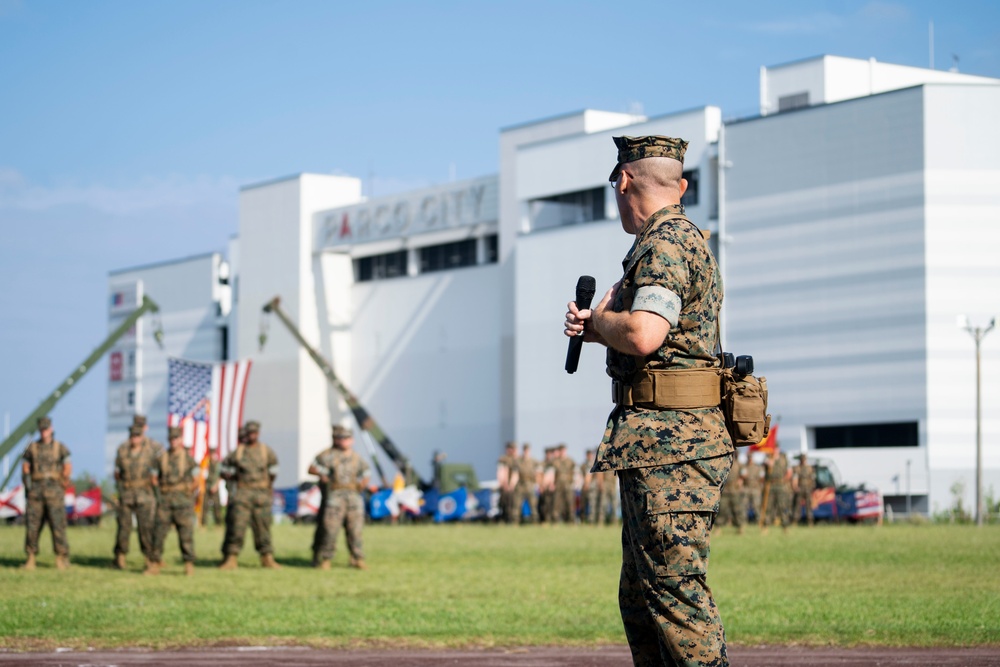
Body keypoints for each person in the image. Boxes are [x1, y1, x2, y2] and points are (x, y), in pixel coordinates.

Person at [564, 135, 734, 666]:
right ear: (679, 186)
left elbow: (642, 334)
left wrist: (597, 322)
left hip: (672, 448)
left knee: (675, 598)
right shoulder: (675, 239)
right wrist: (600, 329)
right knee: (643, 598)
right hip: (661, 446)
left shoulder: (665, 244)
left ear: (623, 181)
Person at [219, 421, 280, 570]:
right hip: (242, 495)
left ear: (258, 433)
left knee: (263, 527)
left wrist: (265, 486)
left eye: (254, 432)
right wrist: (232, 476)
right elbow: (223, 468)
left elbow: (274, 470)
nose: (252, 435)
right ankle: (231, 558)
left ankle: (267, 557)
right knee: (237, 527)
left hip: (261, 495)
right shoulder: (238, 452)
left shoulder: (266, 451)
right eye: (249, 432)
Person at [309, 425, 371, 570]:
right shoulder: (328, 455)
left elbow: (366, 474)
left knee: (355, 530)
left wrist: (361, 485)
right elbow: (312, 468)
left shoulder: (357, 458)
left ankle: (357, 558)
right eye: (341, 438)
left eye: (347, 438)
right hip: (334, 497)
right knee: (330, 529)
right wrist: (323, 475)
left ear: (352, 440)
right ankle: (325, 559)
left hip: (353, 497)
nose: (344, 441)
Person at [21, 416, 71, 571]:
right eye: (42, 429)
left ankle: (61, 557)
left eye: (46, 429)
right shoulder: (32, 447)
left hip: (54, 493)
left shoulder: (59, 447)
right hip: (36, 493)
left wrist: (63, 483)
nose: (44, 432)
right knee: (32, 526)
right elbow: (25, 468)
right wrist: (28, 486)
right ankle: (30, 558)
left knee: (58, 526)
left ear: (51, 428)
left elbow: (67, 467)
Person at [149, 426, 198, 575]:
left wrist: (188, 491)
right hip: (165, 502)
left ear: (181, 439)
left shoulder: (188, 459)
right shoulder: (161, 458)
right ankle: (154, 563)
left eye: (176, 438)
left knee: (186, 534)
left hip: (183, 503)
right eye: (171, 439)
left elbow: (197, 479)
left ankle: (189, 564)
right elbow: (153, 478)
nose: (174, 441)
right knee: (159, 533)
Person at [114, 424, 159, 573]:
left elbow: (155, 475)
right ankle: (120, 557)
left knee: (145, 529)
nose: (135, 438)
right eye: (133, 435)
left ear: (142, 437)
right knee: (123, 528)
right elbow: (117, 473)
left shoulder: (150, 453)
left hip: (144, 496)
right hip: (127, 495)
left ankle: (149, 559)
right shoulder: (122, 451)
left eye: (138, 435)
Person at [763, 446, 792, 533]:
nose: (775, 450)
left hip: (781, 485)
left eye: (776, 448)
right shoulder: (768, 458)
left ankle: (785, 527)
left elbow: (789, 471)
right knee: (768, 506)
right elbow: (763, 467)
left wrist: (785, 480)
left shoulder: (784, 459)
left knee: (782, 506)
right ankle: (766, 526)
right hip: (770, 485)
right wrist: (768, 463)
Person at [717, 455, 746, 534]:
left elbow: (743, 475)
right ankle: (718, 527)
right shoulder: (723, 463)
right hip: (725, 490)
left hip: (734, 490)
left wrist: (740, 481)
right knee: (722, 509)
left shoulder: (739, 464)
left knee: (737, 510)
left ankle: (740, 527)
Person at [511, 443, 539, 524]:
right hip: (520, 484)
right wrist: (512, 484)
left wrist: (538, 484)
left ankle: (534, 522)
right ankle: (515, 522)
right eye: (524, 450)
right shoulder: (518, 461)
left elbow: (538, 474)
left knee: (533, 505)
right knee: (516, 504)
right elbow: (515, 474)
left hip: (530, 484)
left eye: (527, 450)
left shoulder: (534, 461)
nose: (526, 452)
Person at [552, 444, 576, 524]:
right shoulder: (555, 461)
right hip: (558, 485)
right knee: (557, 503)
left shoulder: (570, 461)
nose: (562, 452)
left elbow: (575, 473)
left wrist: (574, 482)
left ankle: (571, 520)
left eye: (563, 450)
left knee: (569, 503)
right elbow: (552, 473)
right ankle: (556, 520)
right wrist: (552, 483)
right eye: (560, 450)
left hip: (568, 485)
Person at [496, 442, 518, 523]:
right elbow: (501, 472)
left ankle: (511, 519)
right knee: (503, 502)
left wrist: (511, 485)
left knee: (513, 503)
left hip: (513, 485)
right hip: (504, 485)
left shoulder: (516, 459)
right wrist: (504, 484)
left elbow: (516, 473)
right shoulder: (503, 459)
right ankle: (503, 518)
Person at [201, 446, 223, 526]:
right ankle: (203, 523)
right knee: (205, 505)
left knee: (217, 506)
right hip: (207, 486)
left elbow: (220, 476)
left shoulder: (218, 464)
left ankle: (219, 523)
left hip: (215, 487)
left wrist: (215, 486)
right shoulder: (207, 463)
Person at [792, 453, 816, 526]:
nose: (803, 461)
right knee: (797, 506)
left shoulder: (810, 468)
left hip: (808, 488)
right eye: (801, 459)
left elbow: (813, 479)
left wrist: (812, 487)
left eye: (804, 459)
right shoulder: (797, 468)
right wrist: (795, 487)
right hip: (800, 488)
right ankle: (795, 521)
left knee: (809, 505)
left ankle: (810, 521)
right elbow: (795, 478)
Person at [743, 453, 764, 523]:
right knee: (744, 506)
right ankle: (743, 521)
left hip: (755, 489)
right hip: (747, 488)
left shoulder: (757, 467)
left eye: (750, 458)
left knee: (757, 506)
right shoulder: (744, 467)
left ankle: (759, 521)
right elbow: (742, 477)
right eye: (748, 458)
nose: (750, 459)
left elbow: (761, 478)